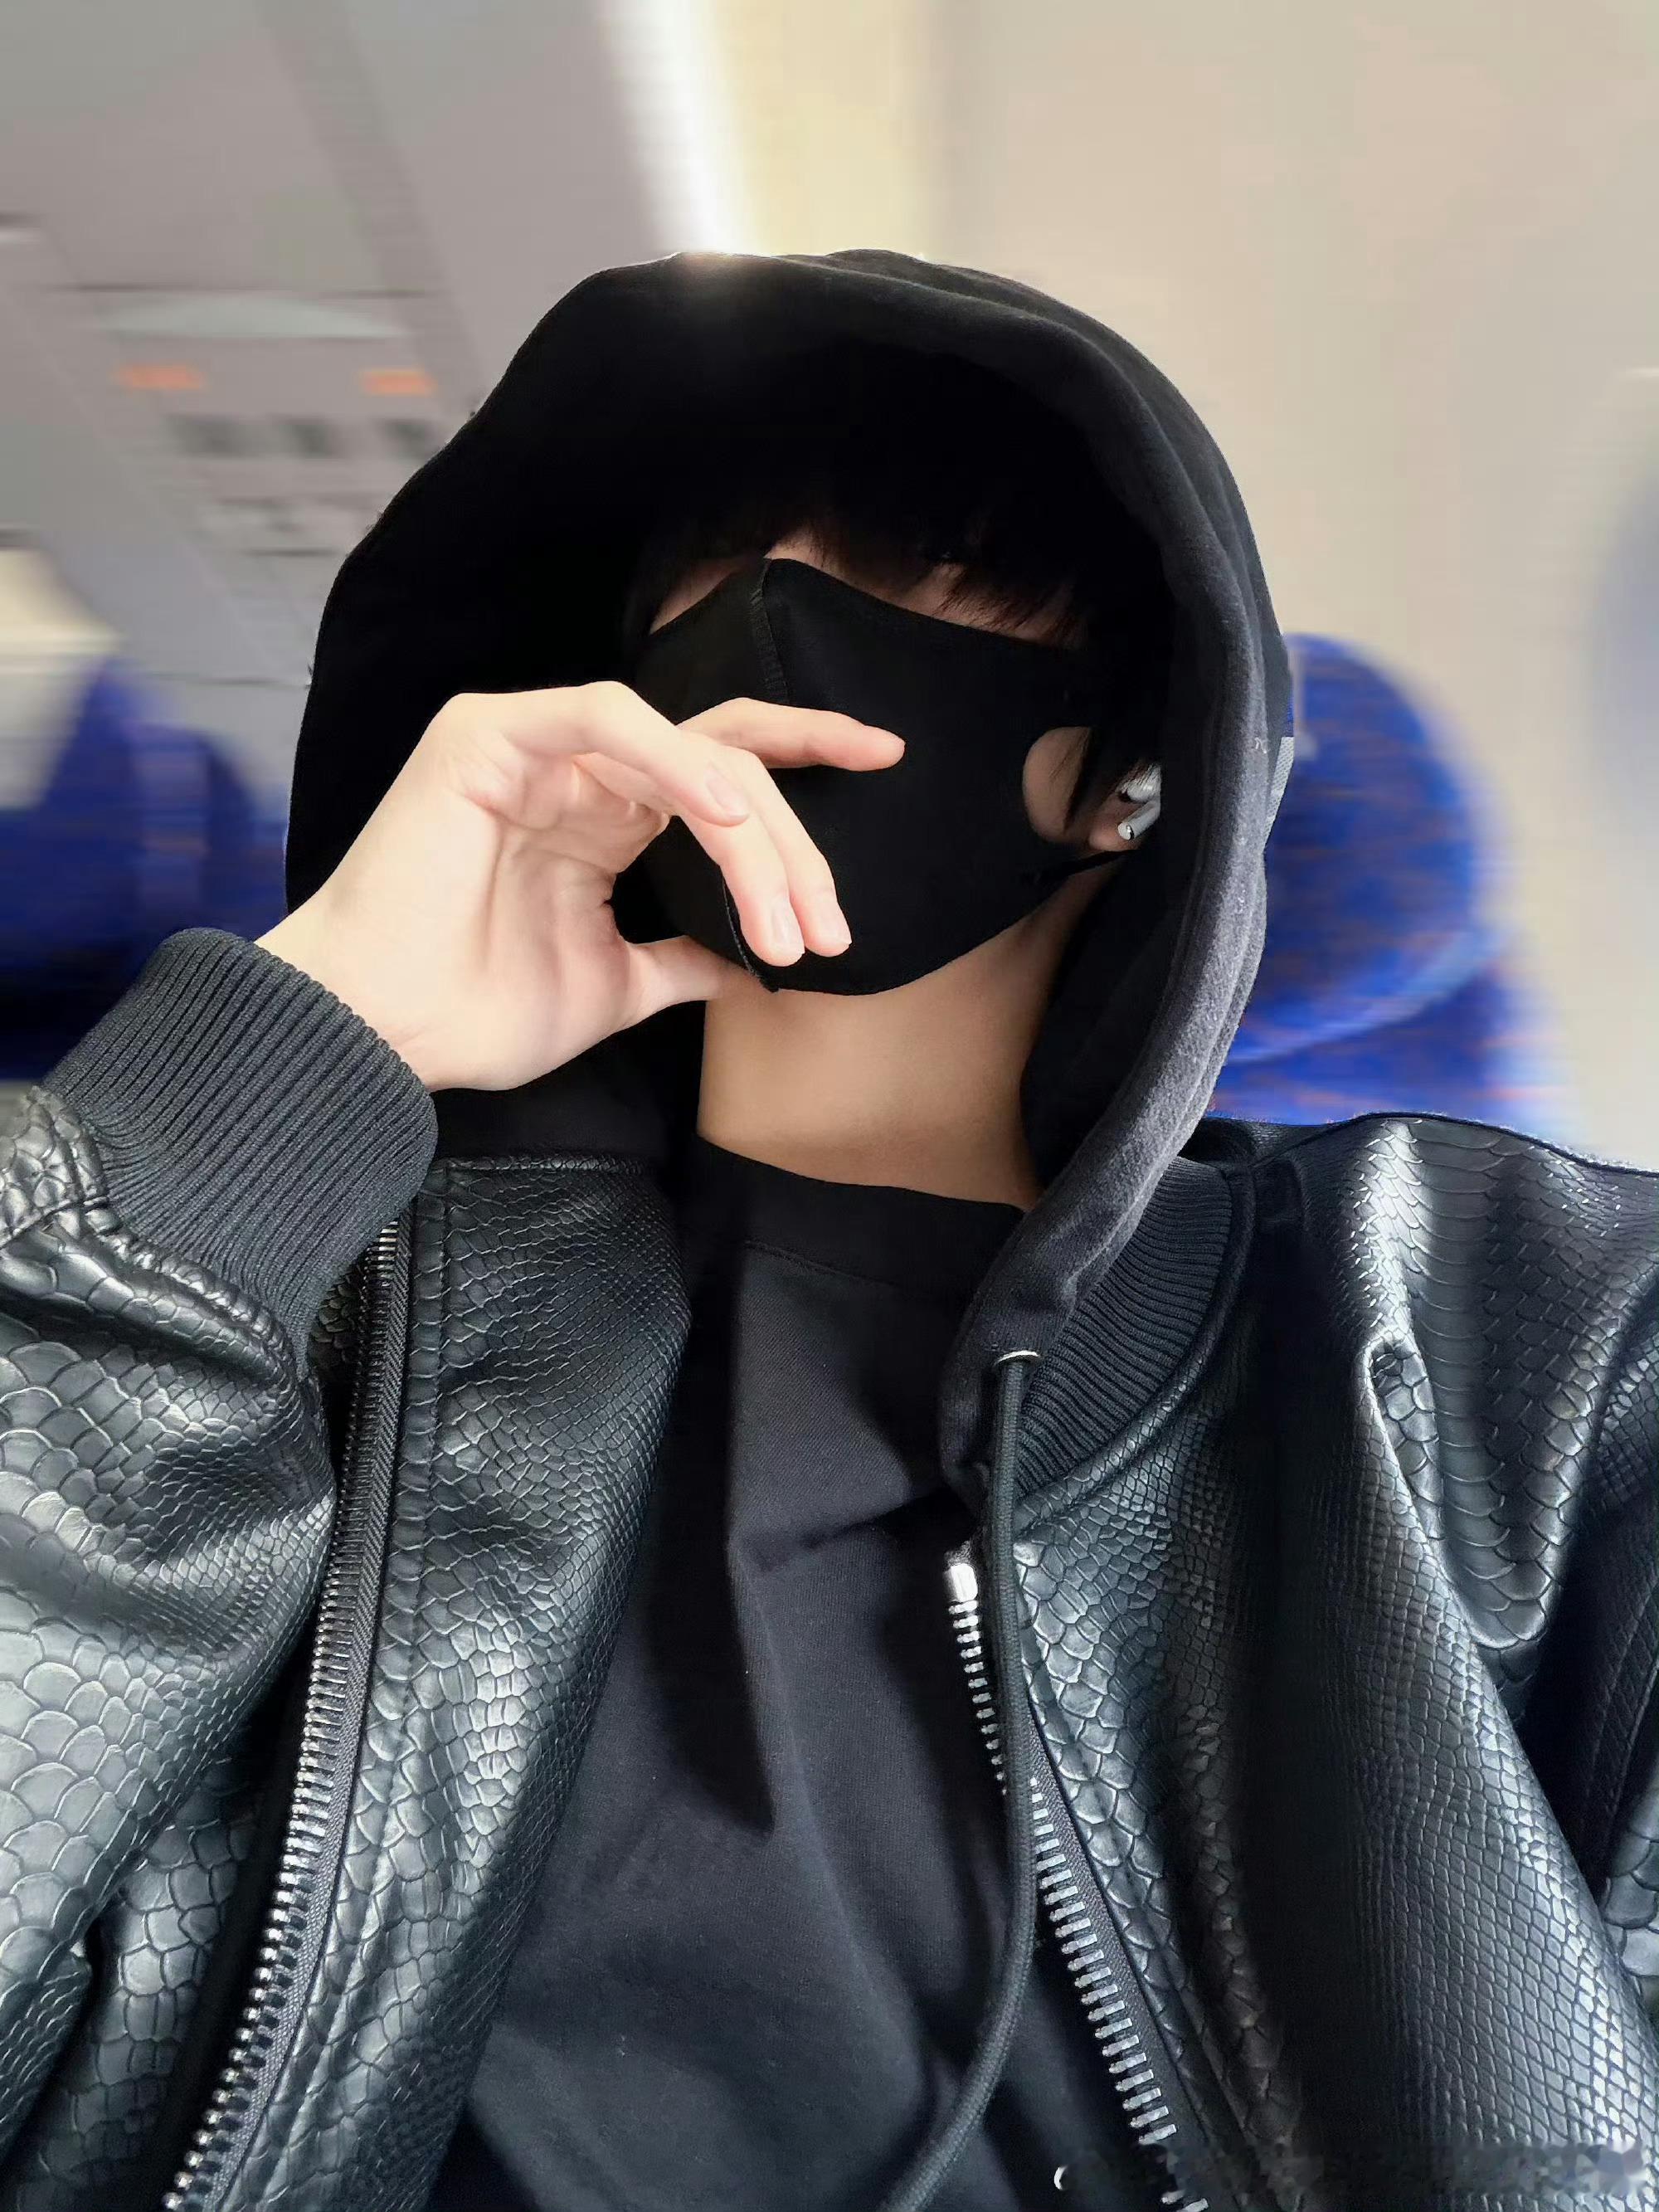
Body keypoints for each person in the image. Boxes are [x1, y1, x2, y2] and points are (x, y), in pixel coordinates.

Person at [0, 251, 1653, 2212]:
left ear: (1130, 777)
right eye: (700, 574)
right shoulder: (313, 1305)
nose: (765, 624)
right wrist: (289, 1065)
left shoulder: (1475, 1341)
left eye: (924, 570)